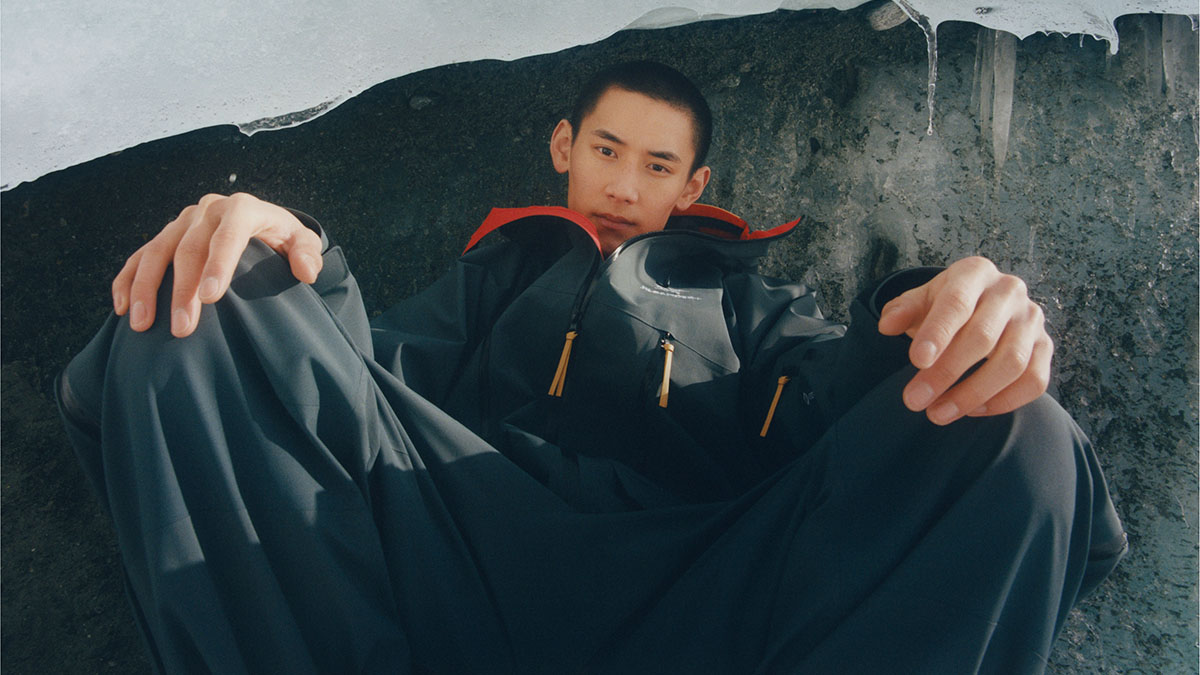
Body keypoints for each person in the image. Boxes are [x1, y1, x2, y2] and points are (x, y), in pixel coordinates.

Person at [58, 61, 1126, 674]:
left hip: (695, 588)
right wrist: (278, 256)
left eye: (657, 165)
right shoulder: (498, 270)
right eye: (608, 150)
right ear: (564, 145)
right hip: (462, 551)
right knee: (205, 305)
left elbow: (835, 409)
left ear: (691, 184)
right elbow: (350, 384)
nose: (624, 183)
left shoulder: (748, 297)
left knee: (1006, 427)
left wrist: (942, 308)